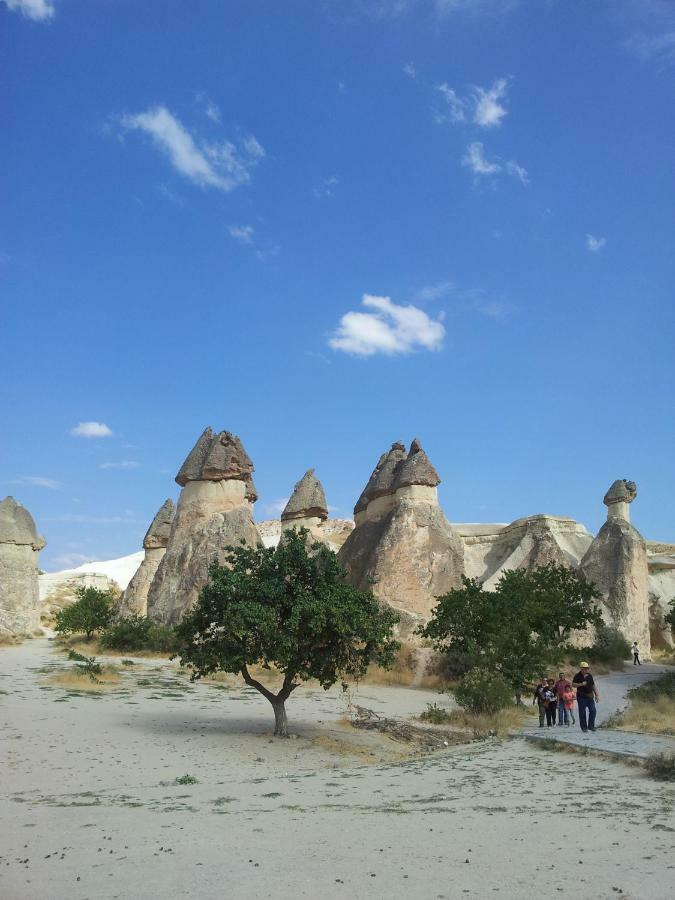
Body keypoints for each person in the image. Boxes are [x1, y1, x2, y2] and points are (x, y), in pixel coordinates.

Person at [572, 662, 599, 732]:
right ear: (581, 669)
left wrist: (597, 695)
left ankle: (591, 726)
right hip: (581, 697)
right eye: (585, 668)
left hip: (590, 696)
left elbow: (593, 685)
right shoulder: (577, 676)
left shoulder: (590, 676)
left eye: (587, 668)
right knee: (582, 712)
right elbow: (573, 685)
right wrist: (581, 684)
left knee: (593, 711)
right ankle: (584, 727)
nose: (587, 669)